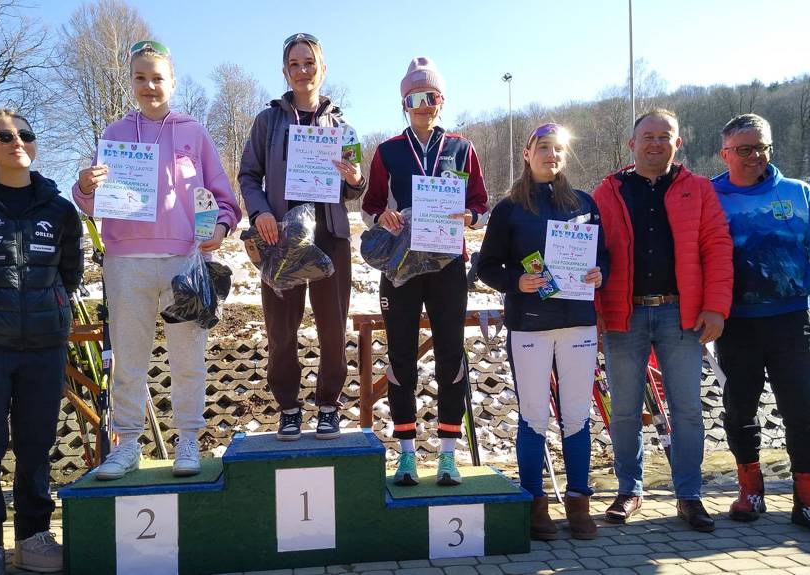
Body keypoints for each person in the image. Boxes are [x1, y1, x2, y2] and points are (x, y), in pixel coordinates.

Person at [74, 40, 241, 479]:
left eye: (158, 77)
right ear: (131, 81)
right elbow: (92, 204)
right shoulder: (112, 134)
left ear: (173, 81)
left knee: (188, 356)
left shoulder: (194, 132)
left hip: (183, 263)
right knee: (128, 358)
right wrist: (86, 187)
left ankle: (188, 439)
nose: (150, 85)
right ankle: (126, 444)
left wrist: (220, 229)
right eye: (140, 77)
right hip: (126, 263)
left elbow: (225, 201)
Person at [0, 109, 83, 574]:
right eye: (4, 136)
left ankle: (33, 536)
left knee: (36, 443)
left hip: (44, 345)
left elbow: (70, 273)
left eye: (25, 134)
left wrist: (57, 312)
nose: (16, 142)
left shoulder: (60, 209)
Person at [592, 108, 733, 532]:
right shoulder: (608, 192)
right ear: (632, 144)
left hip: (682, 314)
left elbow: (717, 249)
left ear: (678, 142)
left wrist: (716, 307)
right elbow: (591, 251)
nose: (655, 143)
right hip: (625, 312)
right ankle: (629, 489)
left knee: (688, 410)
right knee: (625, 412)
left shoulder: (699, 190)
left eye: (664, 136)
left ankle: (689, 496)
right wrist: (594, 311)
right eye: (647, 136)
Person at [361, 57, 489, 486]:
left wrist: (468, 219)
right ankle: (407, 454)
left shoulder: (461, 148)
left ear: (441, 100)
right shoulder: (388, 151)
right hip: (401, 266)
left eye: (430, 96)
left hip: (448, 265)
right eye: (413, 97)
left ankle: (449, 455)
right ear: (403, 103)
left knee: (451, 354)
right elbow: (370, 206)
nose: (422, 104)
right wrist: (384, 219)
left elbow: (481, 205)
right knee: (400, 355)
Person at [478, 123, 607, 539]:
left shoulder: (585, 204)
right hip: (530, 325)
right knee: (534, 417)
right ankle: (535, 503)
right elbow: (487, 266)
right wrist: (517, 281)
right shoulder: (508, 209)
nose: (552, 155)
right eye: (544, 148)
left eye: (559, 149)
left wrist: (598, 273)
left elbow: (603, 256)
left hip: (578, 326)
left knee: (576, 416)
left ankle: (579, 501)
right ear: (528, 153)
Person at [238, 33, 365, 441]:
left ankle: (329, 403)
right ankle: (289, 407)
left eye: (309, 62)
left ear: (322, 69)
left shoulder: (343, 127)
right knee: (281, 328)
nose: (303, 70)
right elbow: (248, 175)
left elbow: (355, 188)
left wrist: (355, 178)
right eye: (295, 63)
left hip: (329, 237)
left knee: (332, 326)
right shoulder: (268, 121)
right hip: (280, 239)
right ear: (285, 71)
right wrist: (260, 213)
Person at [711, 113, 810, 528]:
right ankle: (750, 491)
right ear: (725, 154)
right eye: (744, 149)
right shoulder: (707, 196)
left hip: (792, 321)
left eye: (762, 147)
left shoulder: (800, 193)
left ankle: (805, 498)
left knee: (801, 409)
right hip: (735, 324)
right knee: (740, 409)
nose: (755, 156)